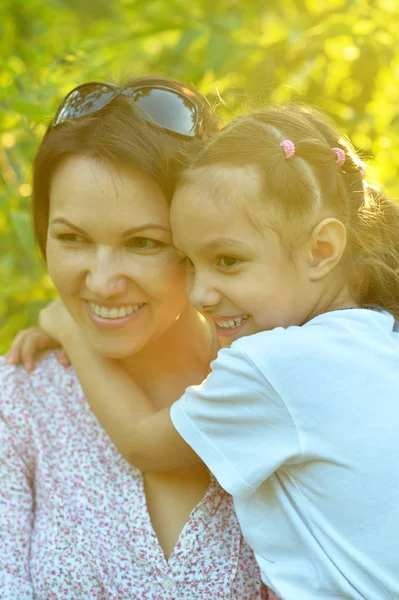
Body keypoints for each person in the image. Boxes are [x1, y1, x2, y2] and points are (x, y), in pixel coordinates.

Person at [17, 104, 399, 600]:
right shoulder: (377, 338)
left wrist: (67, 327)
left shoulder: (270, 367)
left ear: (322, 249)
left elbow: (142, 444)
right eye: (189, 263)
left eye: (227, 260)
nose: (200, 294)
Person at [1, 78, 275, 599]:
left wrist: (64, 326)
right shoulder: (19, 400)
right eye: (72, 238)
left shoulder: (272, 384)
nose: (102, 282)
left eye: (143, 242)